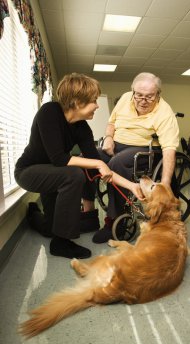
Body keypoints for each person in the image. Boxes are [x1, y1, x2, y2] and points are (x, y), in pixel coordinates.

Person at [14, 73, 144, 259]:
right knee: (74, 174)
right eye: (93, 100)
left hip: (53, 176)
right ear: (76, 102)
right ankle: (61, 243)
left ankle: (33, 213)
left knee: (50, 228)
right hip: (28, 172)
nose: (98, 105)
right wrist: (99, 162)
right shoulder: (49, 112)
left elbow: (95, 168)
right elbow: (59, 158)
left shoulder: (82, 128)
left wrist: (132, 186)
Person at [92, 72, 179, 244]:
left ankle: (114, 223)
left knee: (115, 164)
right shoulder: (125, 98)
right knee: (87, 157)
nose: (143, 100)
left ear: (158, 95)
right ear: (132, 91)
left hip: (143, 150)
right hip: (115, 144)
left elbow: (169, 149)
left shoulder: (165, 112)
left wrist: (165, 185)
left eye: (149, 96)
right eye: (139, 95)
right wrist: (108, 137)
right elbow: (111, 122)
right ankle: (87, 214)